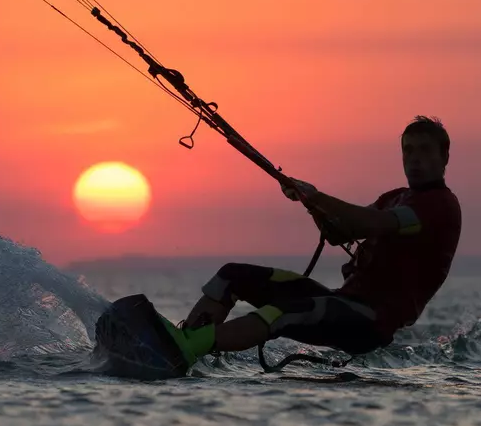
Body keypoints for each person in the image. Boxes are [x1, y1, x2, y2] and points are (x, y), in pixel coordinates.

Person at [154, 115, 461, 368]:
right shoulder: (394, 197)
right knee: (232, 275)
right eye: (408, 150)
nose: (414, 159)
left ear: (444, 157)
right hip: (344, 303)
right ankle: (185, 345)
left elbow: (371, 224)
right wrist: (309, 203)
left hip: (368, 322)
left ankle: (187, 348)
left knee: (280, 311)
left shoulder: (439, 206)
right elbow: (338, 232)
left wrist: (316, 196)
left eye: (424, 150)